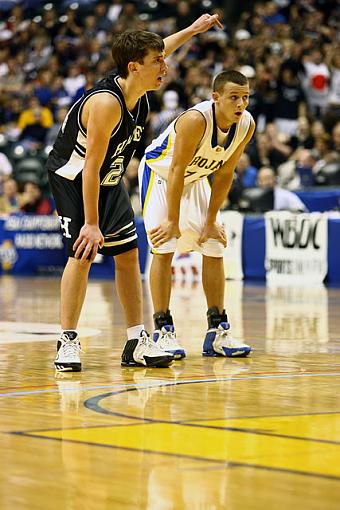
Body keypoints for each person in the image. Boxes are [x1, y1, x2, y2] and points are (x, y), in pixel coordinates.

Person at [46, 14, 222, 372]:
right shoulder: (107, 104)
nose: (165, 65)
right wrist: (92, 224)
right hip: (74, 178)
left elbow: (160, 48)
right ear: (133, 67)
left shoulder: (138, 89)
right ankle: (67, 341)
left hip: (105, 178)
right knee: (82, 254)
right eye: (157, 62)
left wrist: (192, 30)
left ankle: (136, 340)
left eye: (163, 58)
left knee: (127, 255)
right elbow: (90, 168)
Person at [138, 70, 255, 359]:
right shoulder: (195, 120)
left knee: (214, 244)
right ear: (216, 98)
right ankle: (162, 329)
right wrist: (172, 220)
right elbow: (176, 170)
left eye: (245, 98)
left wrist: (212, 220)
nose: (240, 104)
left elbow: (226, 173)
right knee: (163, 245)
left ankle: (217, 332)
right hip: (161, 175)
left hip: (195, 178)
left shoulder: (246, 125)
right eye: (233, 98)